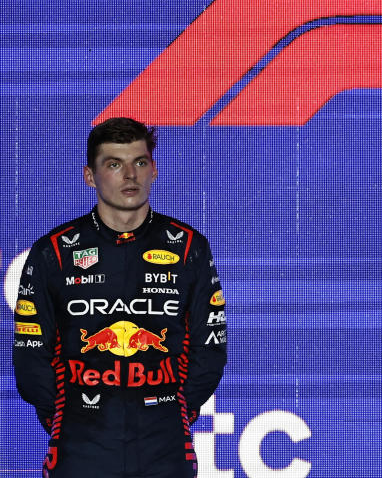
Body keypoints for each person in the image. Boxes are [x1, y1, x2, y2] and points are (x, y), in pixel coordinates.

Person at [12, 117, 227, 478]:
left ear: (154, 170)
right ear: (90, 176)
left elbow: (211, 347)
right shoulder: (55, 252)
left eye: (139, 162)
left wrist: (170, 410)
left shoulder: (189, 246)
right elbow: (31, 356)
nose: (130, 175)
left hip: (165, 444)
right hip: (80, 443)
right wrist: (70, 415)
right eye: (114, 164)